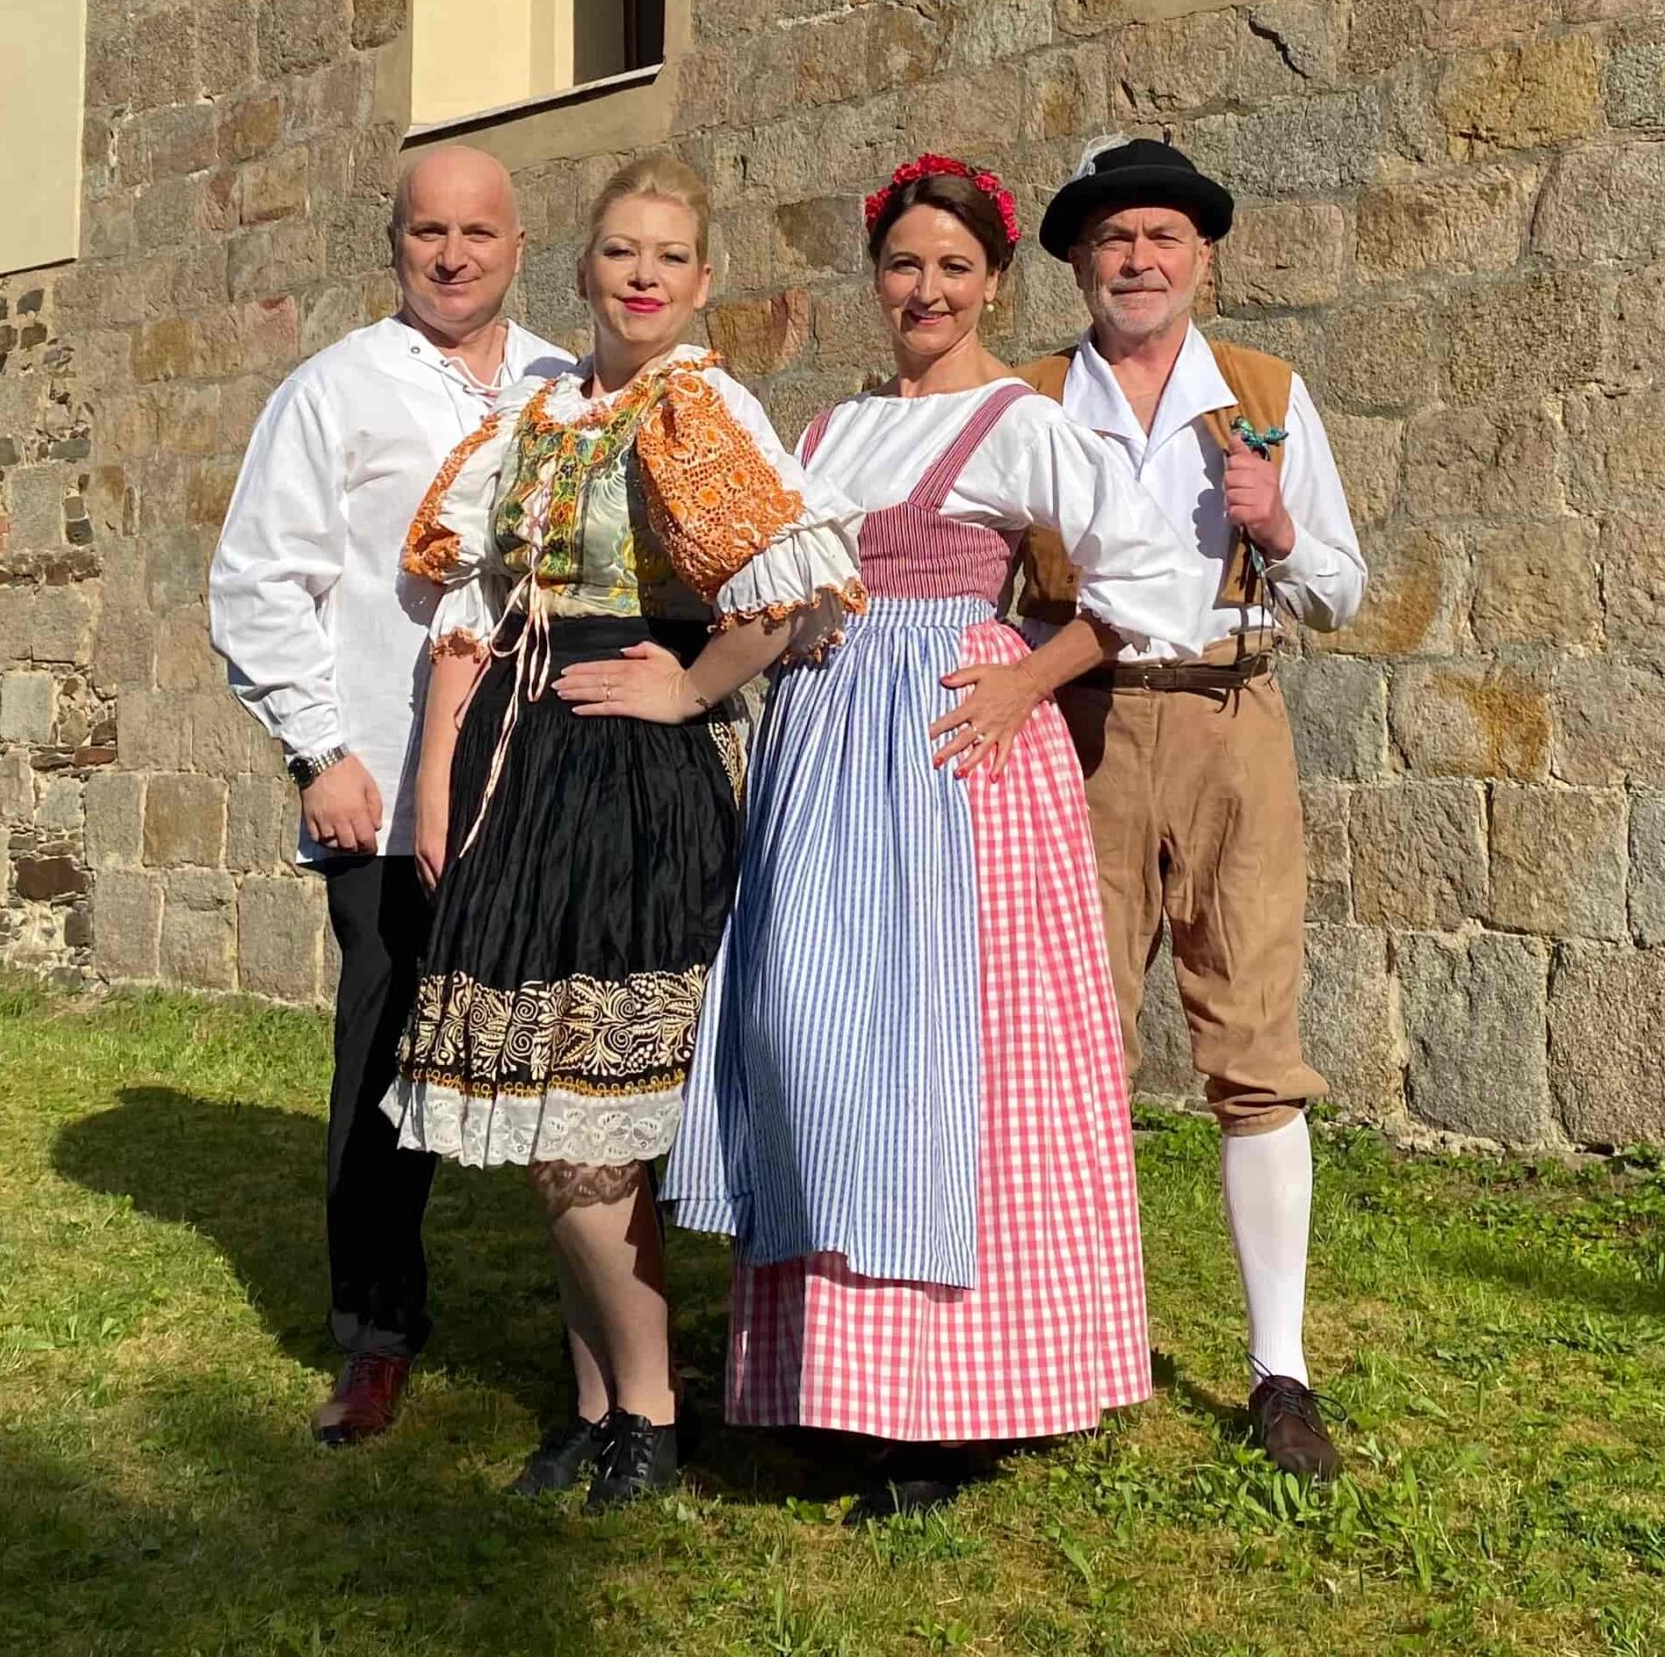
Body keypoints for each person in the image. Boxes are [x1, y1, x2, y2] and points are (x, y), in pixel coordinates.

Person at [662, 154, 1207, 1520]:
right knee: (812, 1035)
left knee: (940, 1058)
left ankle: (946, 1407)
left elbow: (1150, 579)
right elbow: (780, 581)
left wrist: (1029, 678)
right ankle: (829, 1377)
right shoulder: (830, 430)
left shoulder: (1020, 421)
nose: (927, 289)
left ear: (995, 284)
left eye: (955, 268)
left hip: (954, 761)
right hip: (822, 754)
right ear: (875, 275)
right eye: (905, 264)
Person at [392, 154, 862, 1512]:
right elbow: (470, 617)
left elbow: (796, 586)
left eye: (668, 256)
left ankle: (649, 1411)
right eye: (620, 251)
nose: (642, 276)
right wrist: (439, 786)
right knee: (543, 1112)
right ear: (584, 269)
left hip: (632, 781)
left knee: (590, 1121)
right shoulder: (539, 416)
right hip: (520, 771)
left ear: (702, 283)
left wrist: (692, 686)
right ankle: (596, 1403)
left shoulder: (699, 408)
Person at [208, 145, 578, 1448]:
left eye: (478, 232)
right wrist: (321, 753)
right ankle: (374, 1331)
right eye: (429, 232)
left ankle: (606, 1349)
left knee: (579, 1051)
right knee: (385, 1063)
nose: (453, 254)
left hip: (545, 776)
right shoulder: (334, 389)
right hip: (382, 772)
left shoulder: (567, 387)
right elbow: (259, 581)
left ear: (518, 244)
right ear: (395, 245)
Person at [1017, 136, 1369, 1481]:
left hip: (1231, 716)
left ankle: (1281, 1370)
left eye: (1164, 236)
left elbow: (1339, 591)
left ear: (1203, 258)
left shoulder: (1267, 396)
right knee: (1067, 1042)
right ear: (1076, 261)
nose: (1139, 259)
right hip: (1080, 726)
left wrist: (1276, 527)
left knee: (1256, 1043)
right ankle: (1059, 1345)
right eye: (1113, 238)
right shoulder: (1029, 400)